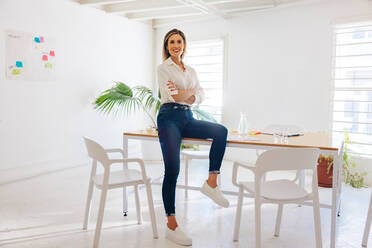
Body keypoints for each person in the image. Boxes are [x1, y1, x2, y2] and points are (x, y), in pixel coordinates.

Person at [157, 28, 229, 246]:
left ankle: (211, 182)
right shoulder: (163, 68)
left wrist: (188, 94)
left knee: (221, 131)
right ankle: (171, 224)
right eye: (171, 42)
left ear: (184, 45)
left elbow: (201, 96)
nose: (176, 45)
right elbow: (171, 95)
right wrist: (190, 94)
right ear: (167, 47)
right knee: (172, 169)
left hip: (188, 117)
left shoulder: (191, 70)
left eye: (179, 41)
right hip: (168, 118)